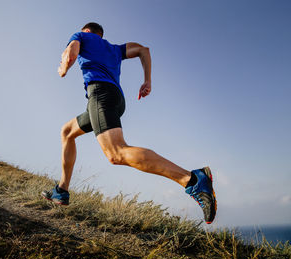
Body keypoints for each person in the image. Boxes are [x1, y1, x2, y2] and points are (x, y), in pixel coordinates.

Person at [42, 22, 217, 224]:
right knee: (67, 132)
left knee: (116, 153)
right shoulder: (115, 49)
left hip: (100, 96)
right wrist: (147, 80)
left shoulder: (82, 36)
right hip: (115, 99)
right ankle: (61, 191)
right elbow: (144, 50)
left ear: (88, 31)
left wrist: (64, 66)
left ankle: (192, 180)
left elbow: (71, 53)